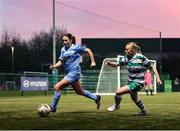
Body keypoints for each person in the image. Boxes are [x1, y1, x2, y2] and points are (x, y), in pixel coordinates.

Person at [49, 33, 101, 112]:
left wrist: (93, 61)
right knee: (80, 92)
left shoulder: (76, 47)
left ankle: (53, 108)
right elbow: (61, 61)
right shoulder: (63, 49)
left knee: (57, 87)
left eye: (66, 40)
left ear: (70, 40)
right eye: (63, 40)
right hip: (70, 73)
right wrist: (54, 66)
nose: (64, 42)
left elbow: (88, 50)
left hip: (74, 73)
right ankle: (96, 97)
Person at [106, 42, 162, 115]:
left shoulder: (141, 57)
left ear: (133, 50)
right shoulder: (127, 58)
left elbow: (153, 66)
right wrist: (110, 63)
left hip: (138, 83)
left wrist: (158, 78)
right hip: (131, 82)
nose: (125, 51)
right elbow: (117, 64)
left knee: (118, 92)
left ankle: (117, 105)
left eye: (127, 49)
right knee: (135, 99)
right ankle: (144, 111)